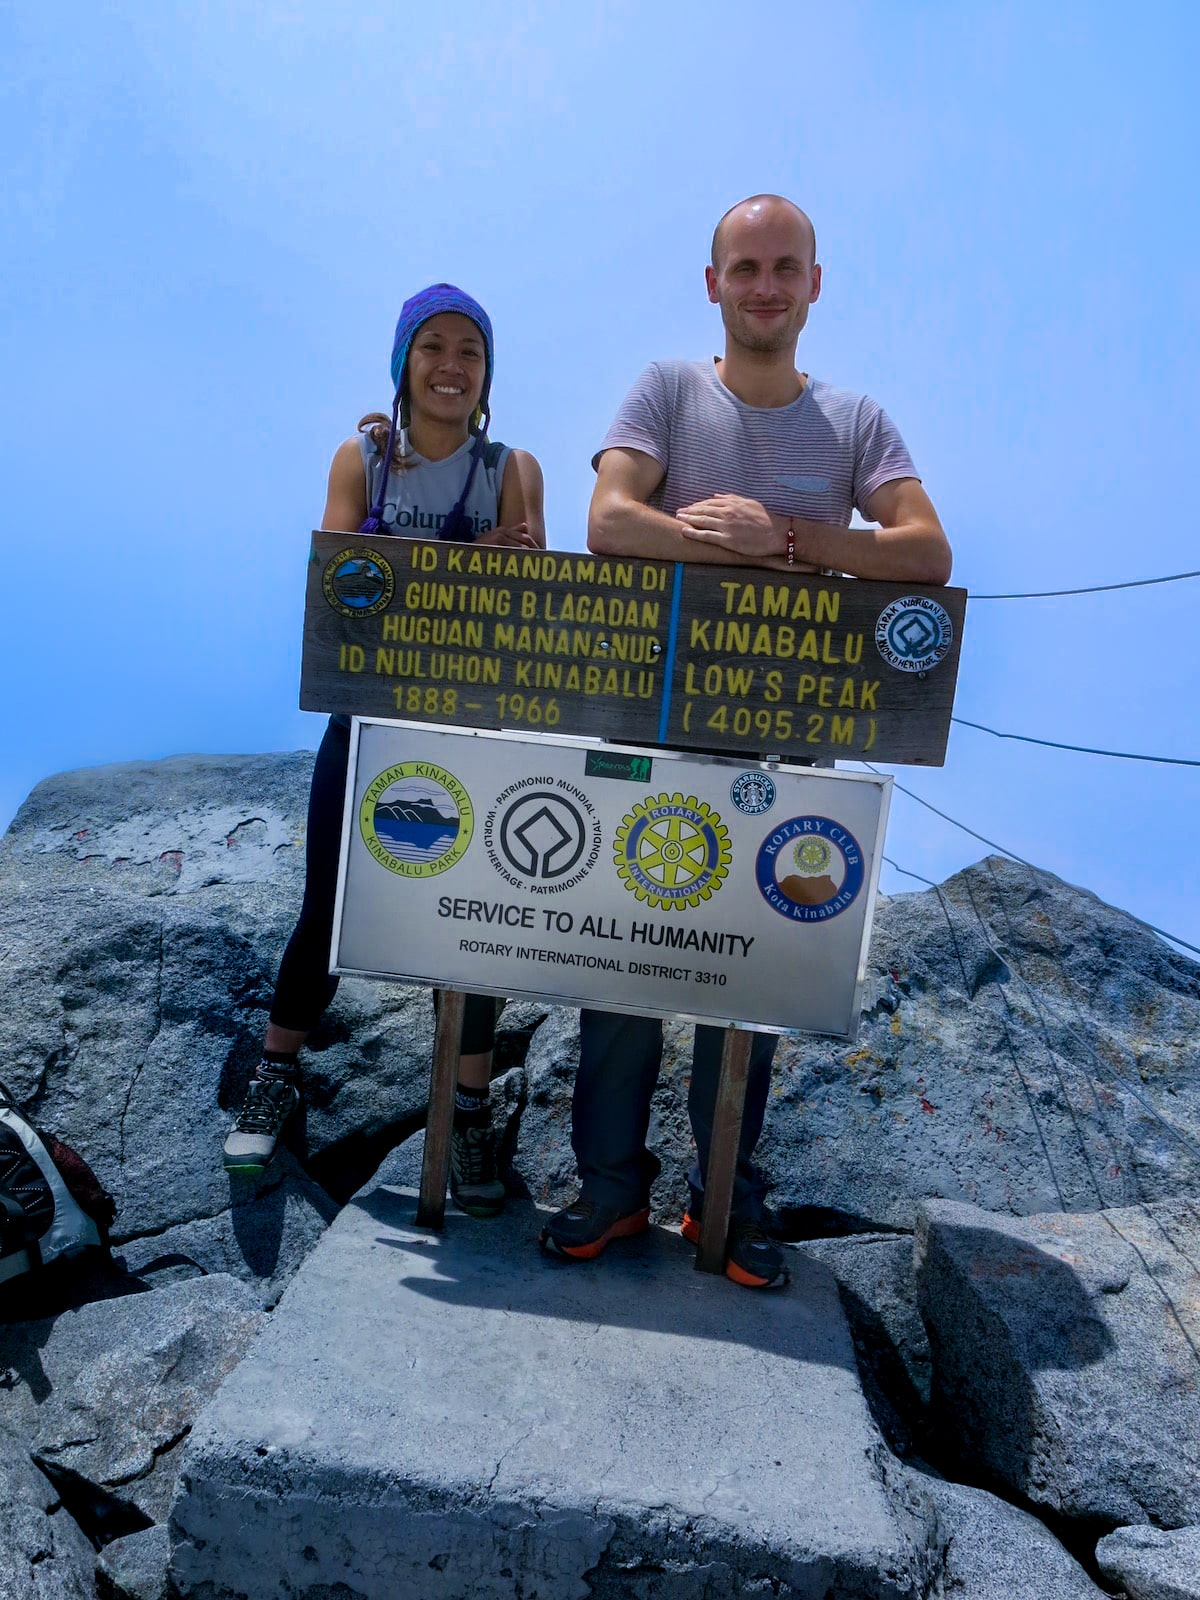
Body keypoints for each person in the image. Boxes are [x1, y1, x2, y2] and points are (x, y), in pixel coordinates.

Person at [540, 196, 952, 1287]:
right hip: (655, 725)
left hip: (787, 750)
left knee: (751, 972)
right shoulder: (666, 390)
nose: (764, 285)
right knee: (621, 964)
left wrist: (787, 537)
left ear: (816, 284)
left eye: (784, 267)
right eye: (744, 267)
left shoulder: (858, 421)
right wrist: (726, 548)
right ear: (712, 283)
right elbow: (608, 522)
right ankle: (611, 1187)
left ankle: (725, 1195)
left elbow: (925, 553)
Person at [224, 284, 545, 1217]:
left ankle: (472, 1112)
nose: (452, 365)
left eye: (471, 352)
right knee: (331, 902)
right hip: (364, 720)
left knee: (474, 922)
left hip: (474, 729)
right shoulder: (362, 456)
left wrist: (489, 566)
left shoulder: (514, 467)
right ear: (403, 359)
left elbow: (537, 608)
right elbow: (340, 576)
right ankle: (277, 1078)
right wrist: (470, 555)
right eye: (434, 346)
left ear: (488, 374)